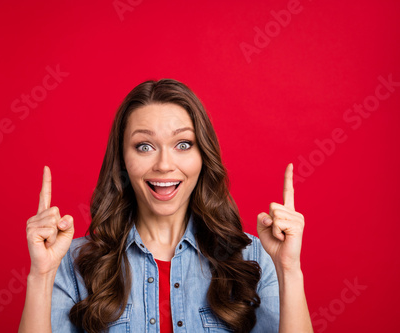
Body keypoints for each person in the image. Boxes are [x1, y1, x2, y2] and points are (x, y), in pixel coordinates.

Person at [18, 79, 313, 332]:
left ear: (203, 157)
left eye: (183, 144)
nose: (163, 165)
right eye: (144, 146)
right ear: (122, 160)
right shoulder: (72, 263)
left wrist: (289, 269)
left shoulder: (254, 256)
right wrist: (40, 275)